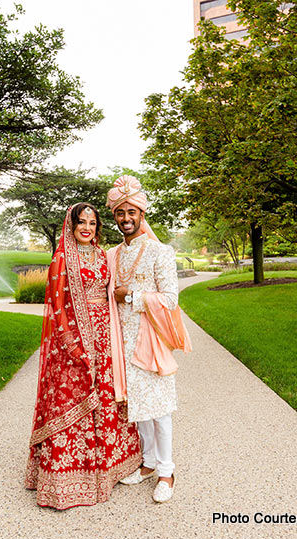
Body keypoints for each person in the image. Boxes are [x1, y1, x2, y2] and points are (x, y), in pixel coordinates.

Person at [25, 203, 141, 509]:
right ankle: (64, 479)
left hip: (104, 335)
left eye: (92, 222)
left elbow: (110, 292)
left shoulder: (103, 254)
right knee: (71, 397)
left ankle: (108, 469)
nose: (87, 227)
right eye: (81, 222)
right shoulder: (63, 257)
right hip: (74, 339)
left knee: (106, 398)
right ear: (72, 225)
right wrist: (72, 343)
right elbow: (57, 304)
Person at [105, 175, 192, 503]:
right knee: (136, 405)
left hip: (149, 340)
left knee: (160, 408)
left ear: (142, 214)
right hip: (121, 341)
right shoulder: (115, 254)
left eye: (131, 213)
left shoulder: (160, 251)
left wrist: (131, 296)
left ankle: (167, 471)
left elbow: (170, 299)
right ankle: (149, 463)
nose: (125, 219)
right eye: (119, 214)